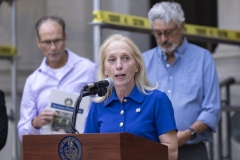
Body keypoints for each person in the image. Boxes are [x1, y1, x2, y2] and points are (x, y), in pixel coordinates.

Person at [142, 2, 221, 160]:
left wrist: (188, 133)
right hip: (152, 150)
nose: (163, 39)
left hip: (191, 149)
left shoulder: (203, 58)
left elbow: (212, 108)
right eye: (158, 34)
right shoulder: (143, 61)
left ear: (182, 26)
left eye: (169, 32)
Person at [84, 34, 178, 160]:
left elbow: (171, 153)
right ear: (105, 69)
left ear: (137, 66)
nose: (118, 66)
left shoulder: (157, 100)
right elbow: (87, 151)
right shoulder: (98, 105)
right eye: (112, 60)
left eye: (126, 58)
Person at [17, 15, 97, 142]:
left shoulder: (89, 70)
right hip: (49, 150)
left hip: (85, 147)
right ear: (38, 42)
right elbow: (22, 134)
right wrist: (36, 123)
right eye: (47, 42)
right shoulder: (33, 81)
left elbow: (104, 111)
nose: (53, 47)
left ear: (65, 38)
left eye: (57, 41)